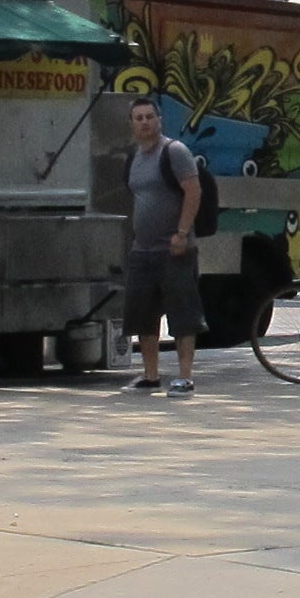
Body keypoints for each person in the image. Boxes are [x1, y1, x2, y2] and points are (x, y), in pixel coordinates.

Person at [122, 93, 204, 397]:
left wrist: (182, 233)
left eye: (150, 117)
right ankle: (151, 375)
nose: (145, 123)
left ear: (160, 120)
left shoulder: (175, 151)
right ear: (131, 124)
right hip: (142, 250)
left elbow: (193, 191)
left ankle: (184, 377)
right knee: (143, 315)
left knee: (183, 315)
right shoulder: (134, 157)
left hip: (174, 249)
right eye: (139, 118)